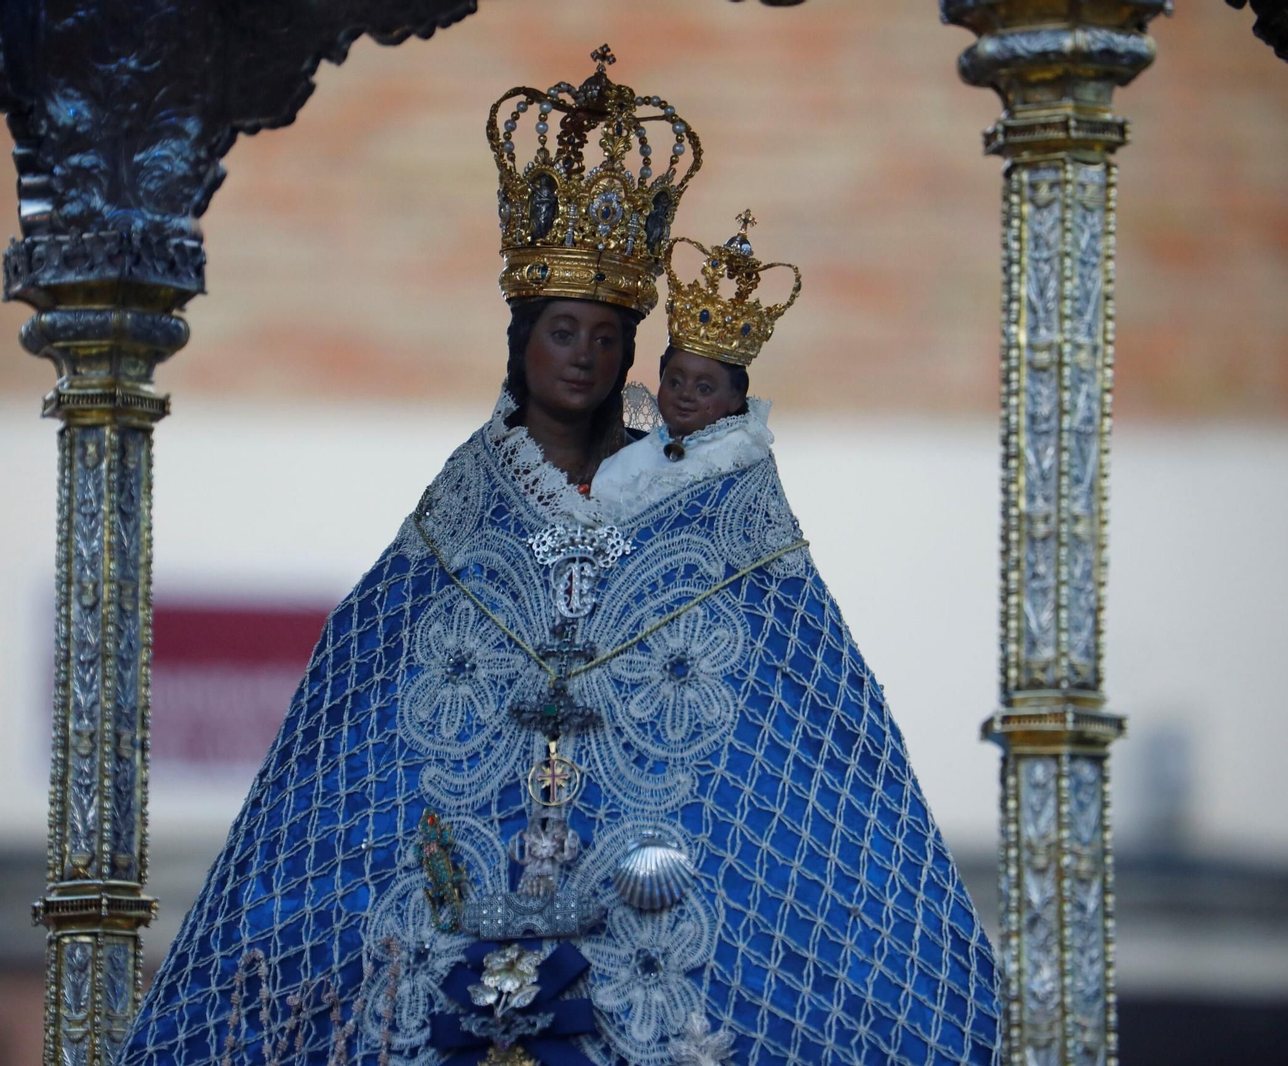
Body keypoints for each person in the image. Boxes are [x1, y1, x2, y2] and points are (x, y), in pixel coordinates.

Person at [121, 52, 1000, 1066]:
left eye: (607, 336)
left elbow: (807, 765)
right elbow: (343, 767)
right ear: (521, 341)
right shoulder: (450, 536)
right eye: (561, 331)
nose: (584, 355)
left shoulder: (717, 523)